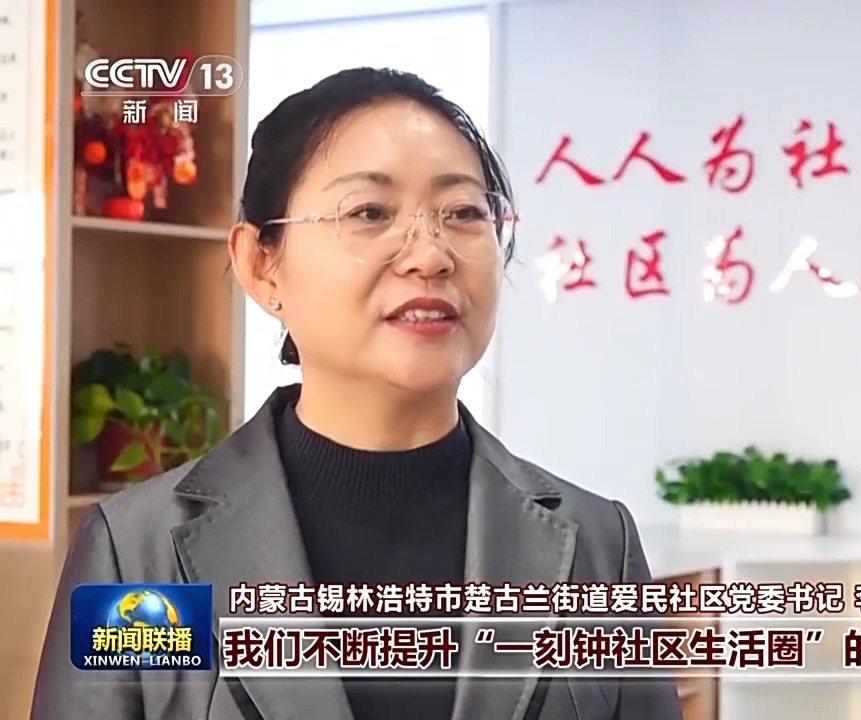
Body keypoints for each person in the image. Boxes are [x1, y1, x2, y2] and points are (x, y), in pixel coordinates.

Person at [31, 67, 682, 720]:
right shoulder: (138, 556)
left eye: (463, 213)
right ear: (261, 264)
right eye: (369, 212)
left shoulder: (598, 547)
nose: (430, 255)